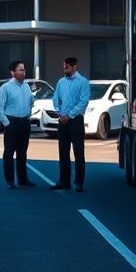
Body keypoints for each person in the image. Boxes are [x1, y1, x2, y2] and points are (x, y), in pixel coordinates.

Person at [0, 60, 36, 189]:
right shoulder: (6, 87)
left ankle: (23, 179)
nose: (23, 72)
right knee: (9, 152)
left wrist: (29, 112)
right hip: (12, 122)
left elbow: (30, 102)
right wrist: (7, 123)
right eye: (20, 70)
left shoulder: (26, 86)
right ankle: (9, 180)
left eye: (24, 70)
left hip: (24, 122)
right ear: (12, 72)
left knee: (22, 152)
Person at [51, 56, 90, 192]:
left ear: (74, 67)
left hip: (76, 121)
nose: (64, 69)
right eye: (64, 66)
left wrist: (69, 115)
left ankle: (79, 182)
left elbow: (83, 102)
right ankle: (64, 181)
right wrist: (59, 113)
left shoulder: (83, 82)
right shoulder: (61, 82)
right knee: (63, 152)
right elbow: (56, 98)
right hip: (63, 121)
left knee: (78, 152)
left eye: (67, 67)